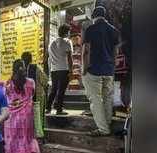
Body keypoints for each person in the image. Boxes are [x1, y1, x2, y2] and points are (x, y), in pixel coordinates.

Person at [82, 6, 119, 136]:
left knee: (95, 99)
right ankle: (107, 123)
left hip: (94, 69)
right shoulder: (113, 30)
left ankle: (103, 129)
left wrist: (84, 68)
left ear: (94, 17)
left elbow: (86, 51)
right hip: (109, 69)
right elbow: (115, 51)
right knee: (107, 98)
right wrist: (112, 66)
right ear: (104, 16)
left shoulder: (90, 29)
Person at [4, 60, 40, 153]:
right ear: (24, 68)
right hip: (25, 117)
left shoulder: (8, 84)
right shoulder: (31, 82)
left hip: (11, 118)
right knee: (24, 142)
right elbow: (33, 94)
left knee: (11, 142)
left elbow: (6, 98)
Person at [47, 24, 73, 115]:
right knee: (61, 90)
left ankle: (48, 108)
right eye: (69, 32)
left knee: (54, 90)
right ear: (66, 32)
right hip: (63, 69)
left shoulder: (51, 43)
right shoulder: (67, 42)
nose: (69, 33)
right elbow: (69, 58)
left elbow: (49, 58)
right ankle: (59, 110)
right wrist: (71, 70)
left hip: (54, 70)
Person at [21, 51, 48, 135]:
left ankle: (29, 133)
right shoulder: (37, 68)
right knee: (38, 116)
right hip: (38, 96)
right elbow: (45, 81)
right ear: (31, 59)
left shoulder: (20, 70)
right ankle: (39, 134)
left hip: (25, 99)